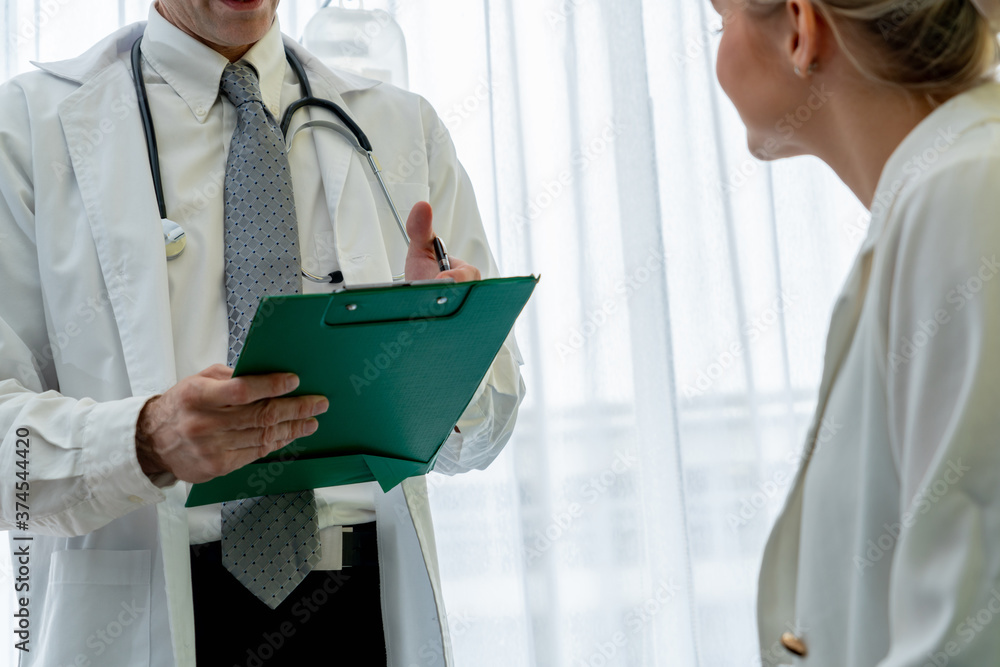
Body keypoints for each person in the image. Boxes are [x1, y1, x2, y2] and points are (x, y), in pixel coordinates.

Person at [0, 1, 524, 665]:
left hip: (362, 610)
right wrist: (144, 439)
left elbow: (487, 430)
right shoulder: (24, 131)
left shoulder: (399, 127)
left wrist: (442, 349)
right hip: (146, 618)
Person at [710, 0, 1000, 664]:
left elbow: (971, 627)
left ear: (800, 29)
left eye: (717, 21)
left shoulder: (967, 188)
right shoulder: (938, 191)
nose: (717, 57)